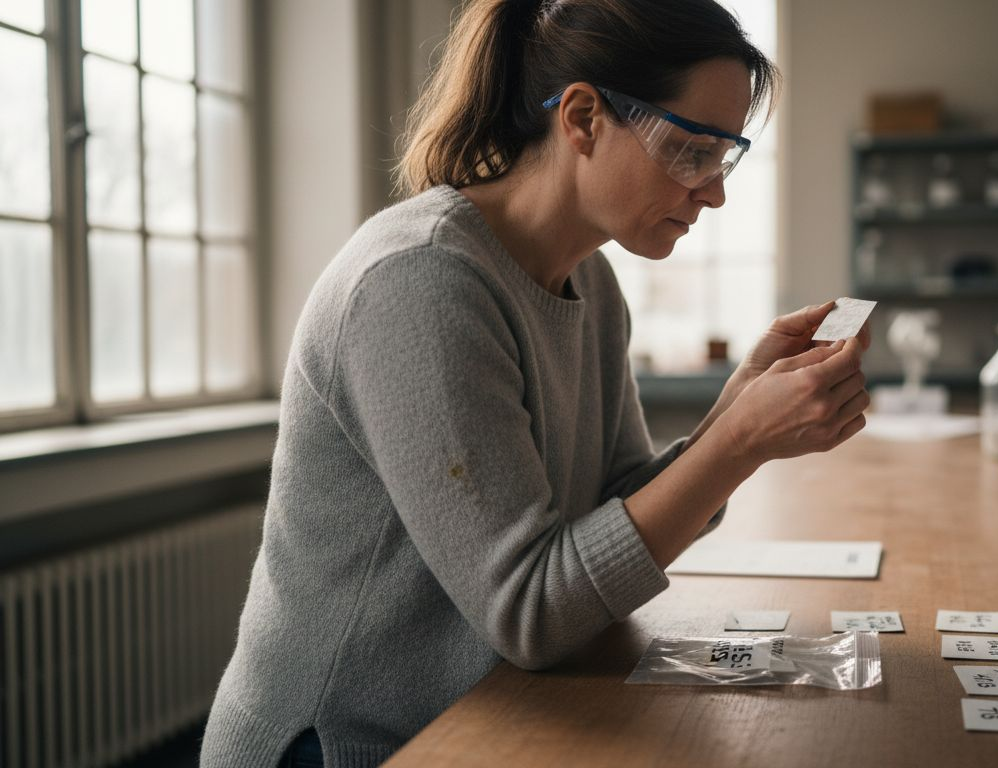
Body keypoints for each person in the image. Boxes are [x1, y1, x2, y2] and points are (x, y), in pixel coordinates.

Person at [201, 0, 869, 765]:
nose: (713, 190)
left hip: (492, 711)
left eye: (725, 156)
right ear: (583, 117)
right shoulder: (421, 282)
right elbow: (530, 613)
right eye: (690, 150)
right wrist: (741, 444)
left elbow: (612, 505)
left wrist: (737, 407)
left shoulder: (590, 280)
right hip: (347, 744)